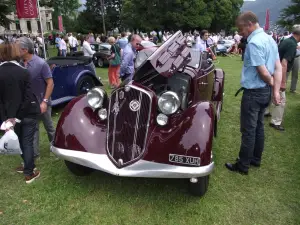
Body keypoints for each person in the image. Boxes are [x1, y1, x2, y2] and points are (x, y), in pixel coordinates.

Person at [225, 11, 282, 175]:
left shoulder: (255, 43)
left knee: (249, 130)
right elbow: (277, 68)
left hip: (254, 92)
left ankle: (243, 165)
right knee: (259, 127)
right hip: (265, 92)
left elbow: (263, 72)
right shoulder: (270, 39)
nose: (240, 33)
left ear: (249, 24)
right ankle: (255, 159)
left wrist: (271, 84)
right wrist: (275, 91)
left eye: (241, 29)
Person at [0, 42, 41, 183]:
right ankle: (29, 171)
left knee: (22, 141)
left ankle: (28, 168)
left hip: (10, 115)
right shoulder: (24, 72)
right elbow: (28, 97)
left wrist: (6, 118)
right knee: (26, 142)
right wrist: (16, 117)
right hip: (27, 112)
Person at [18, 37, 55, 158]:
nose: (15, 50)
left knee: (49, 126)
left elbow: (50, 83)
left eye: (17, 48)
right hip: (29, 104)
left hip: (42, 102)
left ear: (24, 50)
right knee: (33, 129)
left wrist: (44, 101)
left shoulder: (40, 63)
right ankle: (34, 154)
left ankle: (55, 147)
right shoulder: (19, 63)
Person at [269, 25, 300, 131]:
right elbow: (284, 63)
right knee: (281, 97)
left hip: (272, 69)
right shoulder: (292, 44)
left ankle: (265, 112)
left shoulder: (287, 41)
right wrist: (282, 82)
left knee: (271, 91)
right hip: (279, 71)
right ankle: (275, 122)